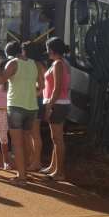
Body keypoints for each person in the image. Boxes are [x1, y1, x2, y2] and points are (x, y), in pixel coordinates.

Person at [0, 41, 43, 186]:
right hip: (32, 108)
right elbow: (41, 86)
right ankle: (25, 172)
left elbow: (0, 80)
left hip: (16, 106)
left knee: (17, 144)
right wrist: (29, 93)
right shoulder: (36, 65)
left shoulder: (13, 63)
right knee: (26, 140)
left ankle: (21, 177)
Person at [41, 37, 71, 181]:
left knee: (57, 139)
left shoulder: (58, 64)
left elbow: (57, 88)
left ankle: (59, 172)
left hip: (57, 104)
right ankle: (53, 167)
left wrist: (49, 106)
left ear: (51, 50)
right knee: (56, 138)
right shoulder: (61, 63)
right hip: (60, 103)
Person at [23, 42, 46, 172]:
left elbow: (42, 86)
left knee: (34, 134)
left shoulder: (35, 65)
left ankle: (36, 162)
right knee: (33, 133)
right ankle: (34, 160)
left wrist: (32, 95)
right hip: (37, 100)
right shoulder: (40, 64)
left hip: (36, 101)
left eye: (23, 50)